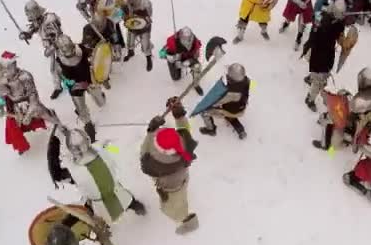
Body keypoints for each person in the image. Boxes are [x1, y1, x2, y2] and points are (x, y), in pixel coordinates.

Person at [48, 125, 146, 221]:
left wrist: (54, 143)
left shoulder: (75, 171)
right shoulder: (102, 148)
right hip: (118, 196)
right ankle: (138, 208)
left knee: (86, 213)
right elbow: (116, 149)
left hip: (103, 207)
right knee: (126, 200)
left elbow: (56, 175)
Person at [140, 98, 199, 235]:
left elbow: (144, 151)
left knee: (172, 208)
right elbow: (184, 129)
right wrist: (179, 113)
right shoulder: (185, 148)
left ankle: (185, 221)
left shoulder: (152, 164)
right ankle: (185, 217)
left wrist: (150, 131)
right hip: (183, 177)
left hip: (170, 189)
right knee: (182, 195)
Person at [0, 51, 62, 155]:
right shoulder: (2, 81)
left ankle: (60, 126)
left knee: (45, 114)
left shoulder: (25, 76)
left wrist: (29, 115)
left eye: (7, 67)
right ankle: (21, 146)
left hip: (31, 105)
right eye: (3, 67)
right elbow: (0, 97)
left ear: (14, 65)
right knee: (13, 127)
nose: (5, 71)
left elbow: (34, 98)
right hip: (15, 108)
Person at [301, 0, 347, 112]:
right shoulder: (330, 26)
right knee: (319, 80)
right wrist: (340, 24)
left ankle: (310, 77)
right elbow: (336, 34)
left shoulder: (321, 14)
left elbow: (317, 17)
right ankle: (310, 99)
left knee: (317, 72)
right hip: (320, 53)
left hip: (312, 48)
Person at [55, 34, 102, 141]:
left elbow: (95, 55)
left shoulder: (81, 48)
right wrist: (76, 84)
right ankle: (88, 124)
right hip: (75, 86)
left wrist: (96, 53)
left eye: (70, 47)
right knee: (82, 109)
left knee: (100, 101)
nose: (69, 51)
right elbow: (63, 78)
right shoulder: (59, 61)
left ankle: (100, 97)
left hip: (89, 79)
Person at [19, 0, 64, 99]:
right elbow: (34, 27)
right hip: (50, 47)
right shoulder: (39, 19)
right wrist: (26, 34)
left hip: (61, 46)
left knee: (65, 65)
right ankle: (58, 87)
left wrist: (51, 48)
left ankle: (74, 84)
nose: (30, 18)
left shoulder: (50, 20)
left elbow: (58, 37)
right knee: (53, 69)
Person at [197, 63, 250, 139]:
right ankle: (240, 130)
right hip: (241, 106)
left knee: (204, 112)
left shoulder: (231, 93)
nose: (228, 76)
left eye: (229, 76)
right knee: (230, 114)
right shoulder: (246, 80)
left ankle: (211, 129)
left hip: (232, 110)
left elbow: (216, 102)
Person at [161, 27, 204, 95]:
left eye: (189, 39)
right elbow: (162, 52)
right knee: (175, 78)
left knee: (197, 66)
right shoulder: (172, 41)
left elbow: (196, 56)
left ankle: (196, 84)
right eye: (185, 39)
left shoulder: (195, 43)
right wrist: (169, 56)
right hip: (175, 59)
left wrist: (188, 62)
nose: (188, 42)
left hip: (188, 58)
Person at [122, 0, 154, 71]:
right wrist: (125, 18)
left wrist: (143, 18)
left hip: (144, 27)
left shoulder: (146, 3)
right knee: (130, 38)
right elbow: (123, 14)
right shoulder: (126, 3)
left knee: (145, 41)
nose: (132, 2)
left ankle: (148, 57)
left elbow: (149, 17)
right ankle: (130, 52)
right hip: (132, 25)